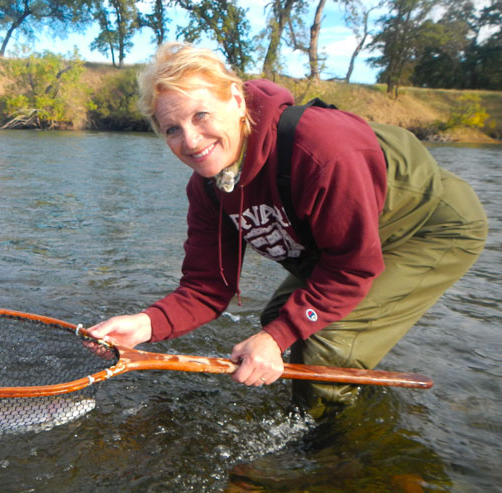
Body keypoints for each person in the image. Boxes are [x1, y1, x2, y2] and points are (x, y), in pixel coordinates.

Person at [88, 42, 488, 418]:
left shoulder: (322, 149)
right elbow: (208, 287)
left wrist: (279, 338)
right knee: (279, 316)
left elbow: (352, 268)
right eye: (171, 129)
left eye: (200, 115)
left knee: (322, 346)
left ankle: (327, 458)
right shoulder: (209, 188)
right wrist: (145, 324)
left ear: (235, 99)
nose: (191, 141)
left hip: (427, 229)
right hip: (343, 241)